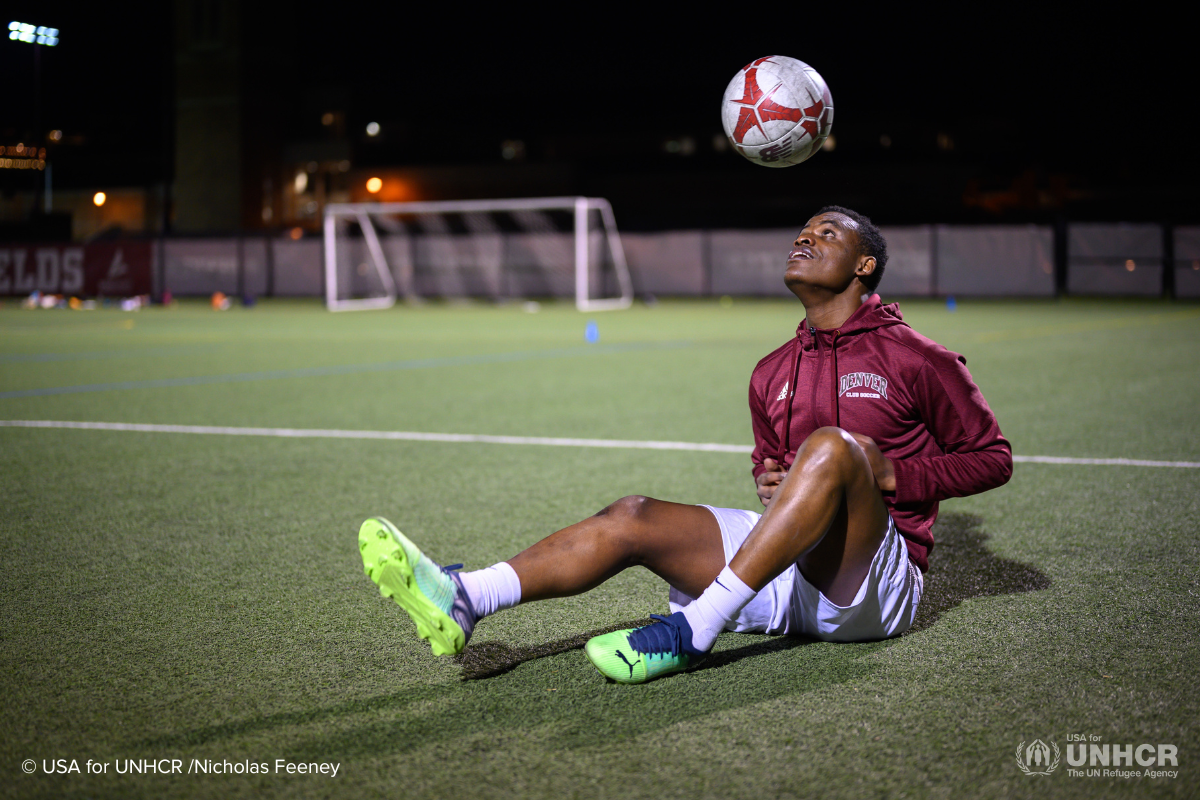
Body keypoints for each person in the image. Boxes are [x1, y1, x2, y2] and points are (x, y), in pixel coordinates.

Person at [357, 206, 1012, 684]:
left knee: (837, 450)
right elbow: (770, 467)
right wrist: (775, 482)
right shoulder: (770, 372)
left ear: (864, 265)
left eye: (827, 233)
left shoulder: (919, 357)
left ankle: (698, 627)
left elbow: (993, 459)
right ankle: (469, 596)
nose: (804, 239)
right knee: (634, 515)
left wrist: (891, 475)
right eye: (801, 232)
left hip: (874, 581)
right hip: (792, 571)